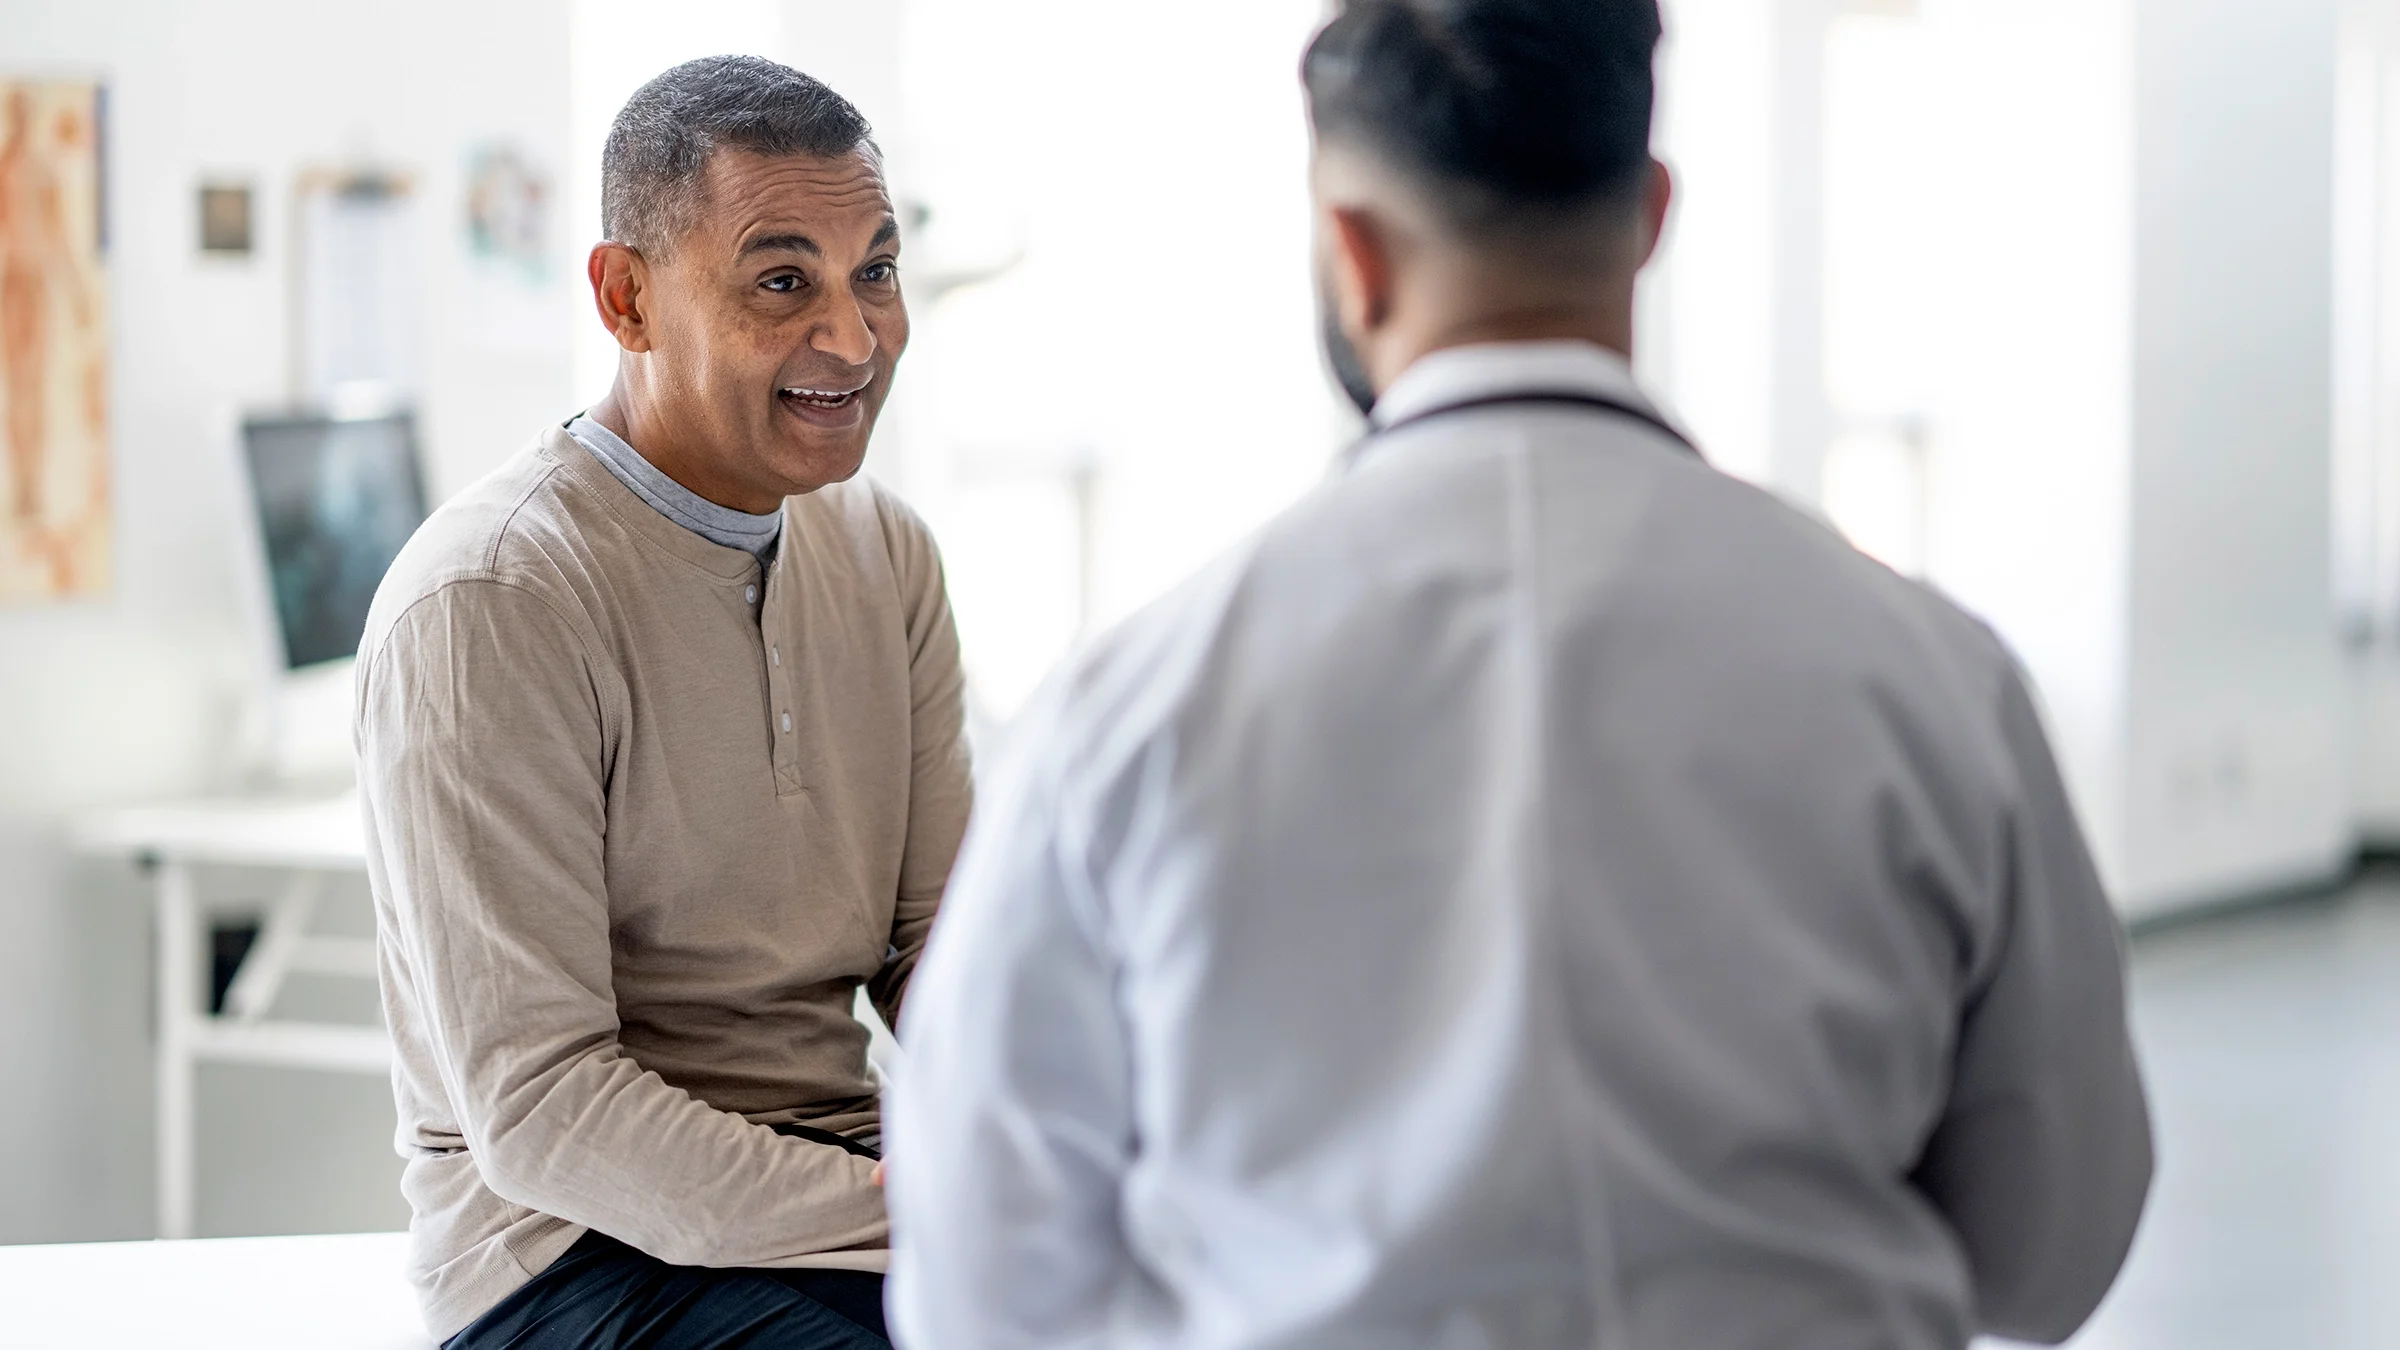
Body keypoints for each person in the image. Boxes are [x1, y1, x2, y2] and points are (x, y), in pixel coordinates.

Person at [885, 2, 2153, 1347]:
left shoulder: (1129, 713)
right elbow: (2053, 1252)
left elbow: (983, 1284)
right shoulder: (1932, 676)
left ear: (1353, 253)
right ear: (1652, 212)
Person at [356, 55, 968, 1350]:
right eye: (783, 280)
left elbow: (941, 952)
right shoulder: (489, 599)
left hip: (846, 1191)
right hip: (575, 1255)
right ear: (626, 299)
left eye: (876, 271)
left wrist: (1086, 1136)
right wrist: (918, 1204)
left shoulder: (887, 554)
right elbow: (544, 1108)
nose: (854, 339)